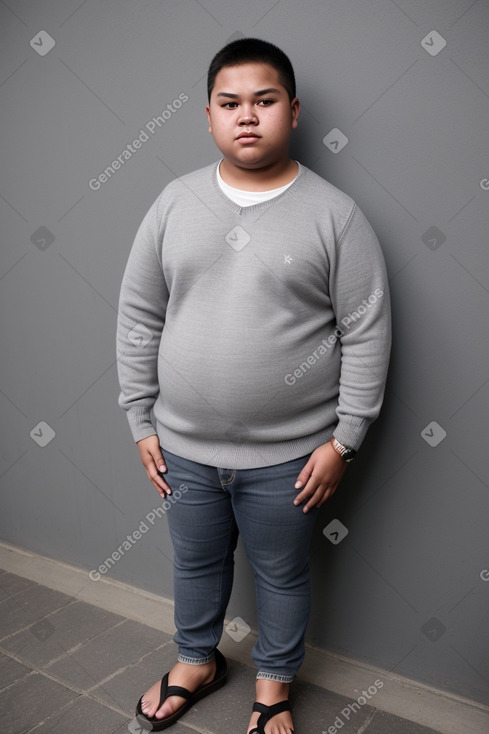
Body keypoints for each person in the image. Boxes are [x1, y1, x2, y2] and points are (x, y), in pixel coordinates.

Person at [116, 37, 391, 734]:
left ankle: (272, 685)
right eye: (230, 103)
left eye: (264, 101)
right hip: (183, 448)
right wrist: (140, 421)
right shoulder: (174, 203)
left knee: (282, 573)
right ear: (207, 116)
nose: (247, 116)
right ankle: (195, 661)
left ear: (292, 111)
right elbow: (138, 315)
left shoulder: (335, 215)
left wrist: (345, 442)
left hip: (291, 459)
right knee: (195, 562)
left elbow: (365, 332)